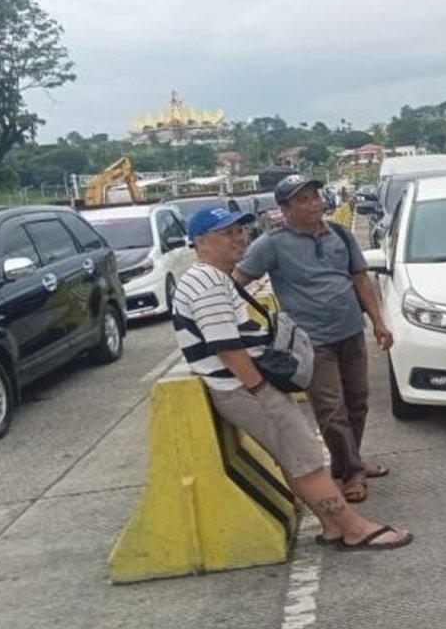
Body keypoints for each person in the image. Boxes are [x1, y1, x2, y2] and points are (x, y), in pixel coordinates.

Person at [172, 206, 411, 550]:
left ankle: (332, 526)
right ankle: (355, 528)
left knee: (293, 458)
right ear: (200, 242)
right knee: (307, 459)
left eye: (240, 230)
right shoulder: (207, 283)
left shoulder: (213, 278)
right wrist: (261, 390)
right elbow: (226, 347)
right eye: (226, 233)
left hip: (245, 386)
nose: (238, 238)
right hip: (245, 388)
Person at [234, 174, 393, 504]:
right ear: (285, 210)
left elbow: (360, 279)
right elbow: (237, 281)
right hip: (311, 342)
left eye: (315, 196)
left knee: (358, 401)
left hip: (351, 331)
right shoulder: (271, 244)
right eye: (302, 200)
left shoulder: (340, 234)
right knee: (331, 409)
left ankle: (350, 461)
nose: (313, 204)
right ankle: (351, 473)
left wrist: (378, 322)